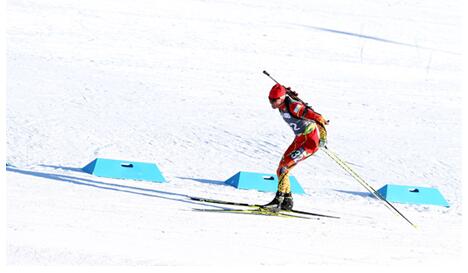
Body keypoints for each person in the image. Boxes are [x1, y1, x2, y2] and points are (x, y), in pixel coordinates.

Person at [263, 83, 329, 211]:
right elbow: (283, 91)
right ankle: (287, 201)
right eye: (269, 99)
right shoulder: (283, 102)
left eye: (274, 100)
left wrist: (323, 138)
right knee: (280, 169)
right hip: (300, 139)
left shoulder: (294, 107)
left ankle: (279, 200)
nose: (271, 103)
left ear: (281, 98)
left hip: (310, 142)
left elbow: (318, 118)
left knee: (284, 168)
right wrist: (286, 91)